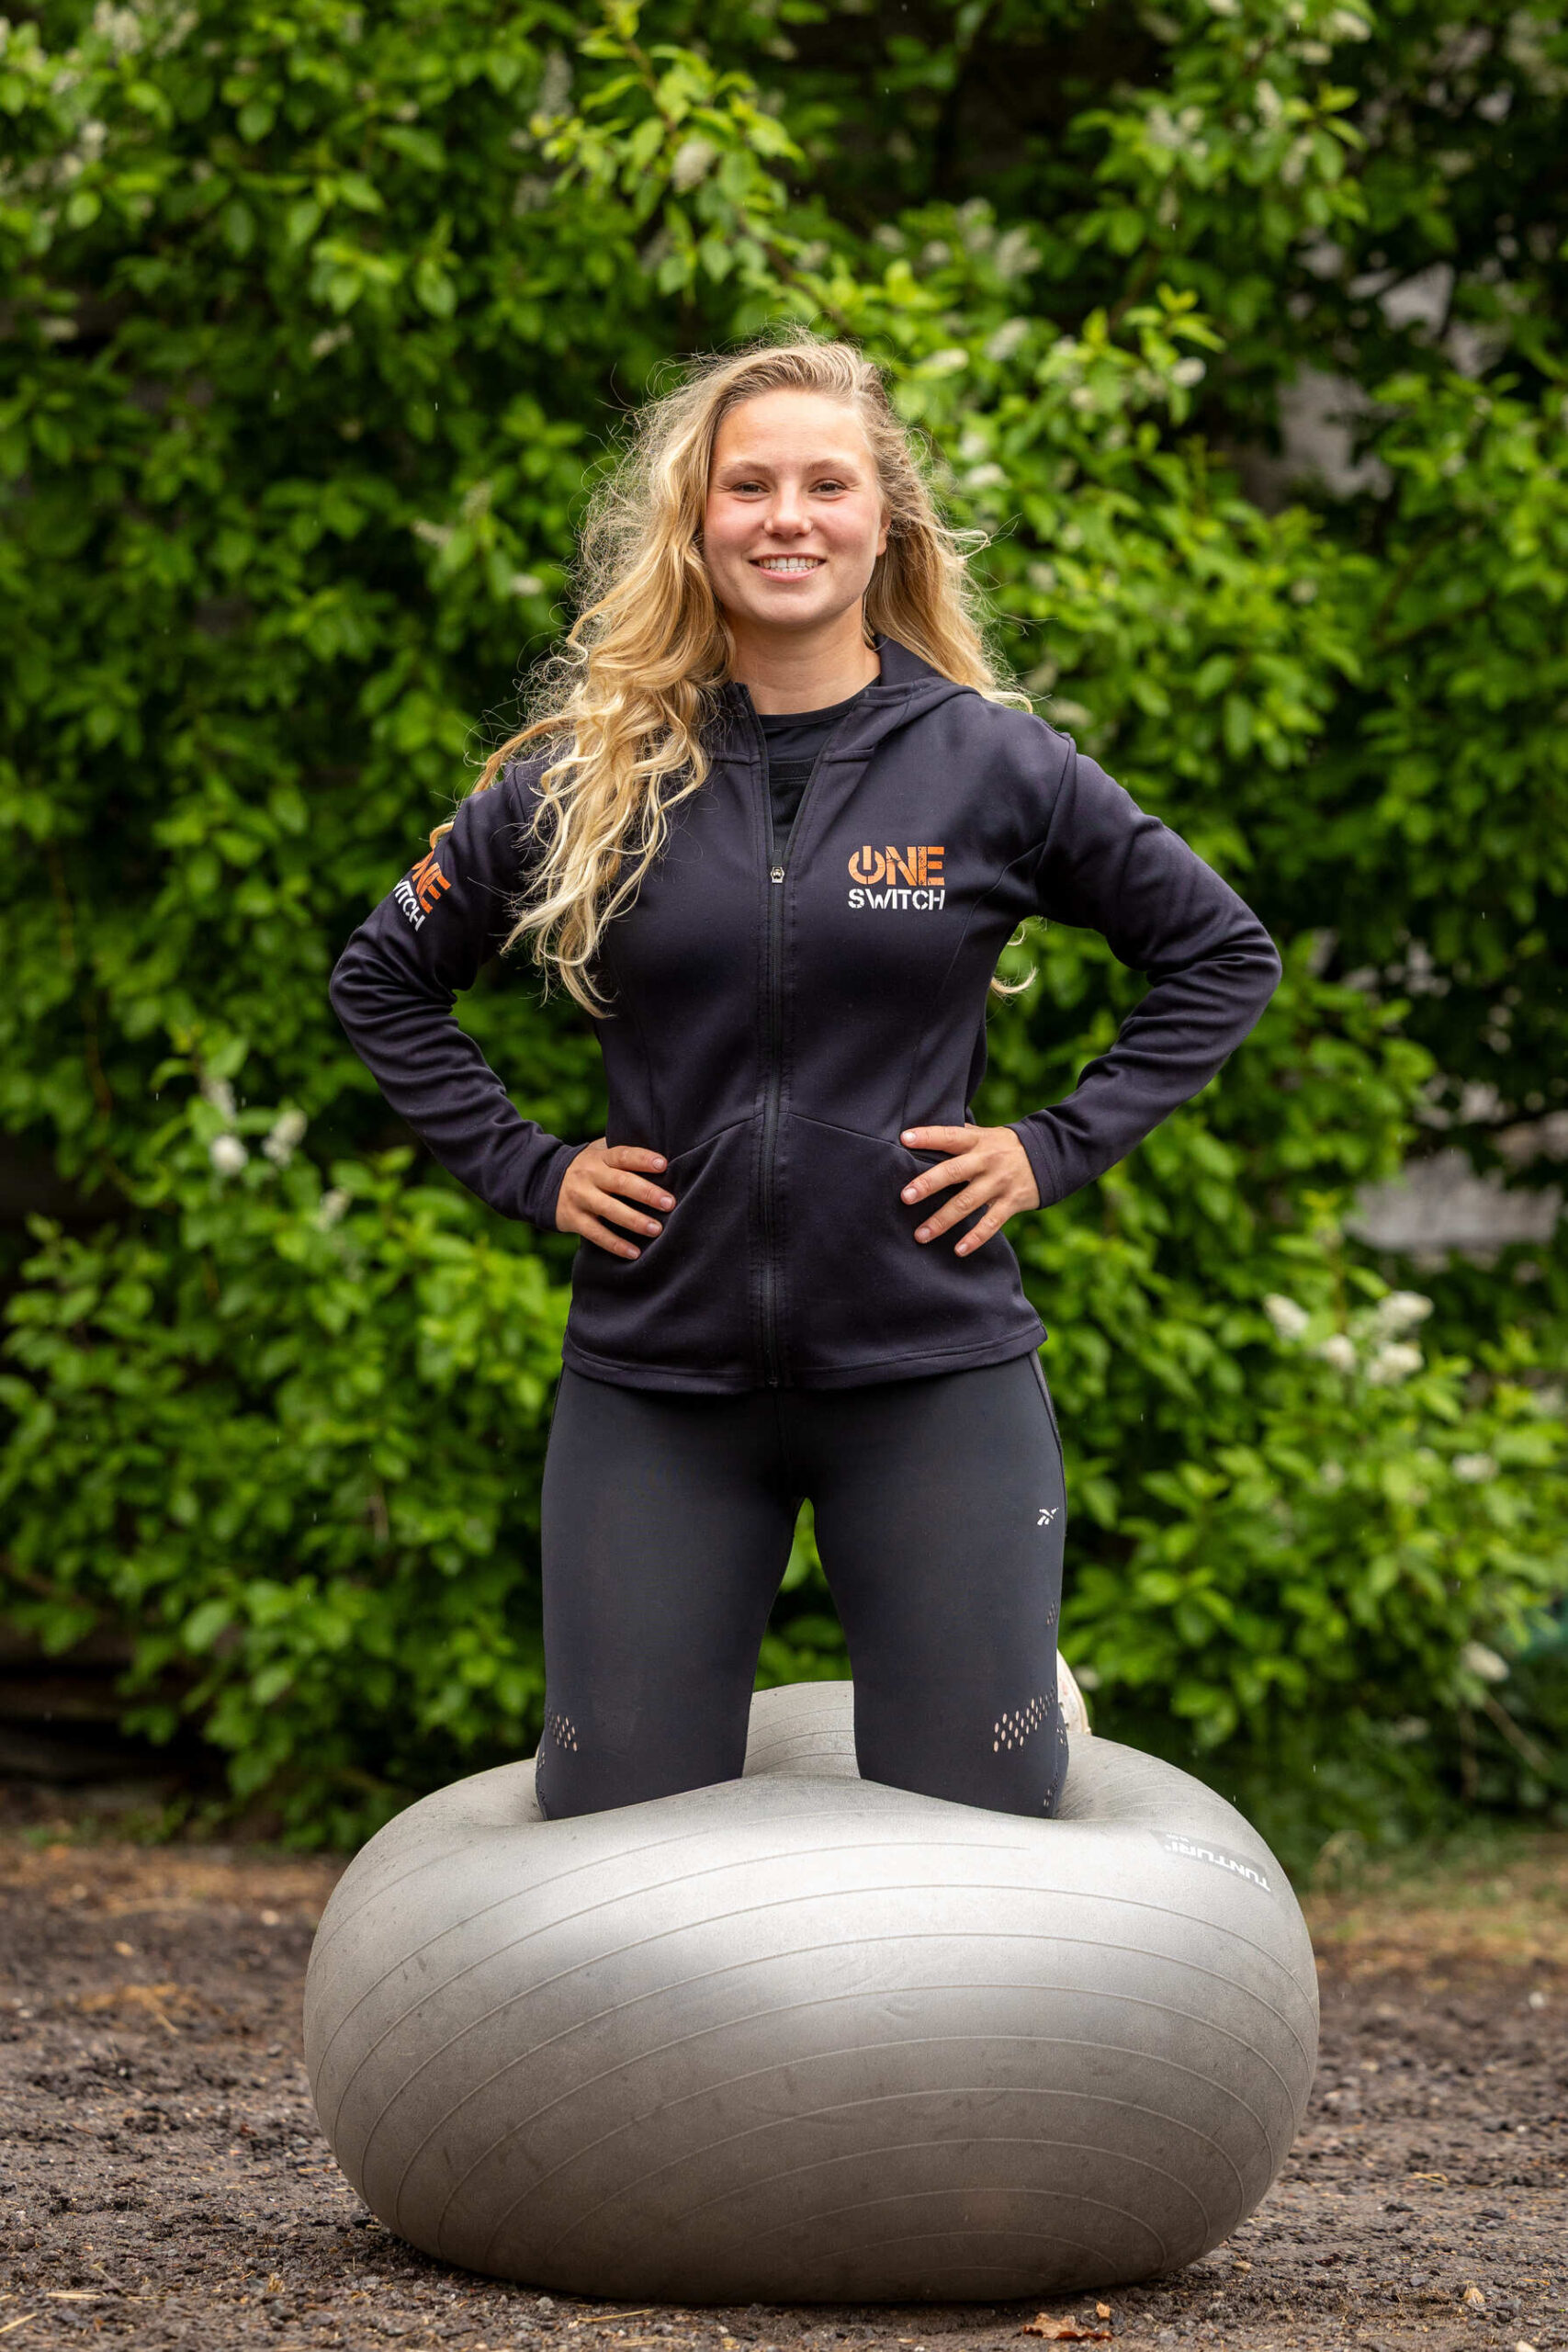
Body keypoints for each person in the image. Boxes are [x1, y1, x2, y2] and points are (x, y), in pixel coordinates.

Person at [329, 333, 1281, 1826]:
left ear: (885, 519)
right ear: (696, 521)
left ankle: (1004, 1669)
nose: (789, 517)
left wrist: (1052, 1147)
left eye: (827, 485)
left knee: (981, 1824)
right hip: (659, 1380)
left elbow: (1221, 952)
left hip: (931, 1367)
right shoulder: (590, 770)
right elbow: (382, 978)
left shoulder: (991, 765)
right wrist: (532, 1168)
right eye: (750, 485)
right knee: (613, 1825)